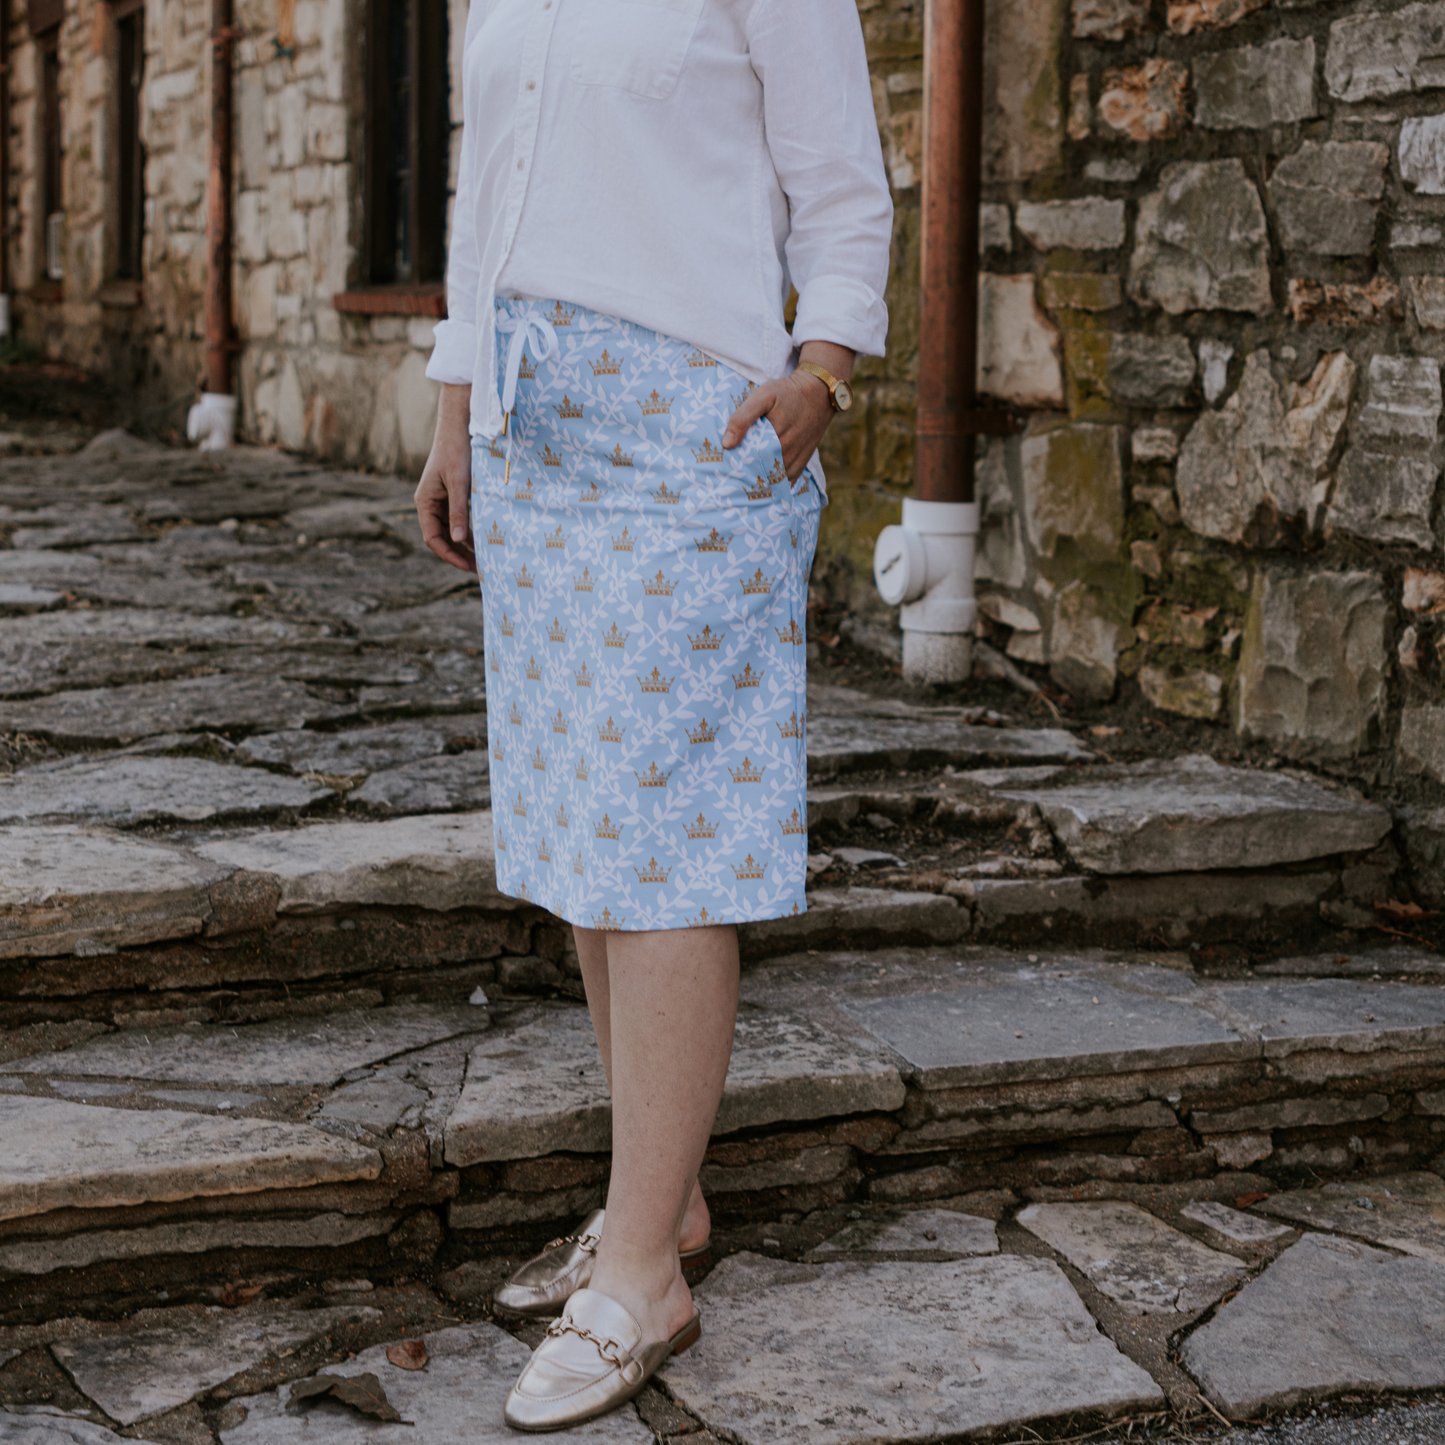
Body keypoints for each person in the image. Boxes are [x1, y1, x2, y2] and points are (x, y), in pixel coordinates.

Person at [415, 0, 892, 1430]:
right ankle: (660, 1203)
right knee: (583, 817)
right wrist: (455, 411)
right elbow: (479, 190)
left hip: (700, 426)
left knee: (672, 828)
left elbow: (844, 181)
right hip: (533, 420)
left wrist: (824, 372)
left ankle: (640, 1281)